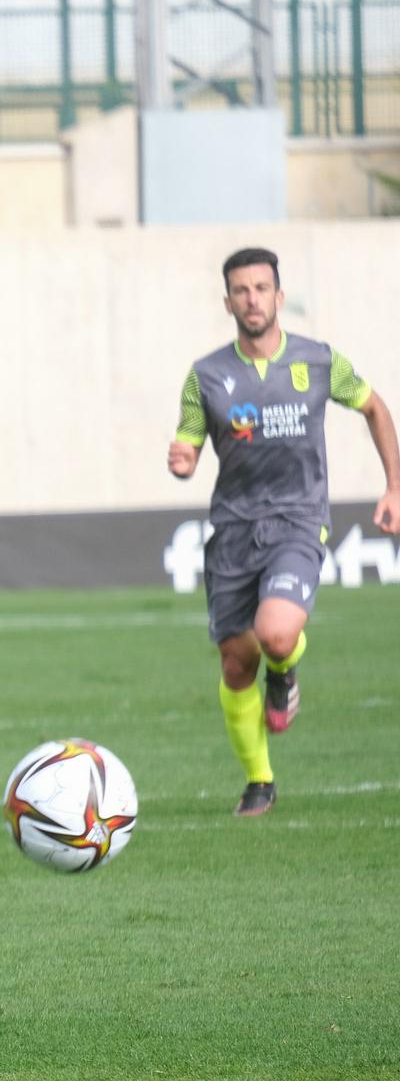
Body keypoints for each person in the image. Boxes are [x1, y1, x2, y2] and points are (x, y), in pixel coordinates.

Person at [168, 247, 399, 817]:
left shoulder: (318, 362)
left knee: (274, 635)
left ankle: (286, 668)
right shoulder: (206, 376)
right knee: (235, 662)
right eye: (241, 290)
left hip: (297, 521)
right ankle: (259, 780)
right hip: (232, 533)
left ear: (278, 294)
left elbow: (374, 407)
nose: (252, 299)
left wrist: (394, 486)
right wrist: (182, 456)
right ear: (228, 302)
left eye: (261, 288)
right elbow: (190, 440)